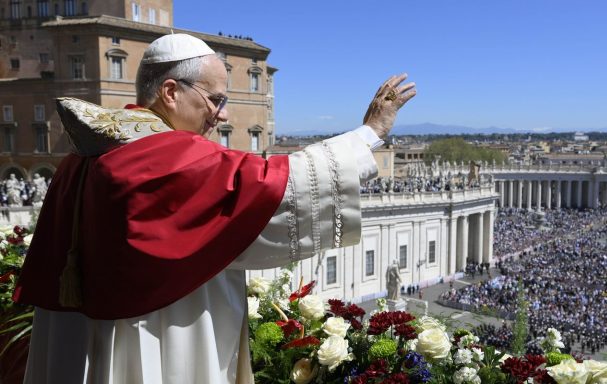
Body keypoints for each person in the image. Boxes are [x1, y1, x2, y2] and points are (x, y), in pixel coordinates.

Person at [13, 33, 415, 384]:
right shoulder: (163, 155)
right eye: (215, 99)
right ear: (171, 92)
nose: (221, 114)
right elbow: (275, 185)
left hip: (83, 339)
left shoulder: (85, 154)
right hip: (154, 336)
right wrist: (371, 133)